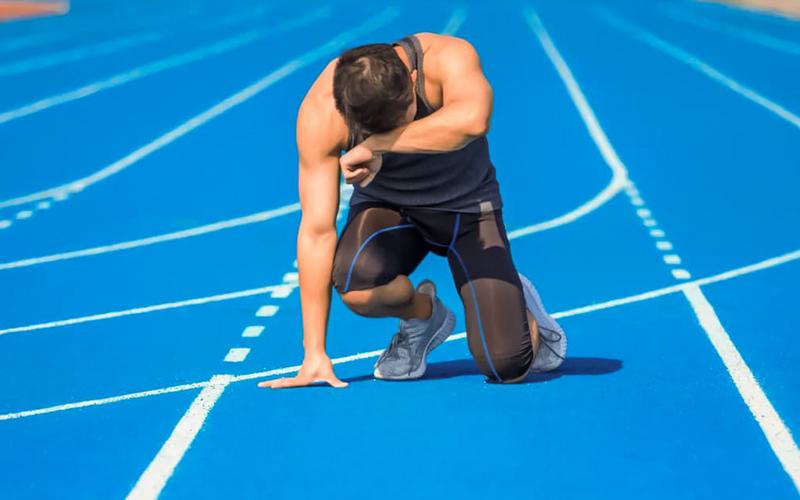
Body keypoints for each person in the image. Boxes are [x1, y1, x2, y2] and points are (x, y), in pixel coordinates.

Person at [259, 32, 566, 389]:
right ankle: (424, 316)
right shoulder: (322, 111)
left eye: (399, 122)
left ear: (413, 81)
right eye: (371, 130)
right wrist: (314, 352)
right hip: (390, 210)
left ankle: (519, 303)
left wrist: (377, 144)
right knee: (356, 286)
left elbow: (474, 119)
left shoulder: (446, 57)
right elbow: (316, 230)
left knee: (506, 367)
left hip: (469, 212)